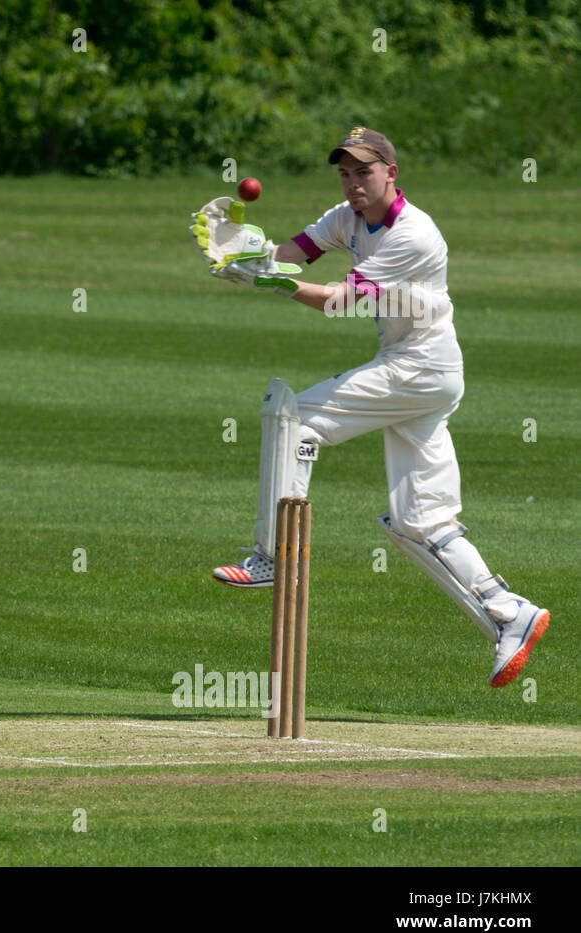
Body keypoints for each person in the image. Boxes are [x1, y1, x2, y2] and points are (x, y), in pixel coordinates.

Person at [199, 127, 549, 688]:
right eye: (345, 172)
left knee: (294, 422)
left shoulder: (415, 235)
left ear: (391, 173)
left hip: (418, 366)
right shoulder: (346, 216)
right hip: (422, 372)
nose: (354, 183)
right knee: (419, 520)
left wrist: (270, 282)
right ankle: (507, 613)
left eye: (365, 172)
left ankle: (271, 556)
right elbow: (292, 256)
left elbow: (339, 300)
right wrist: (240, 253)